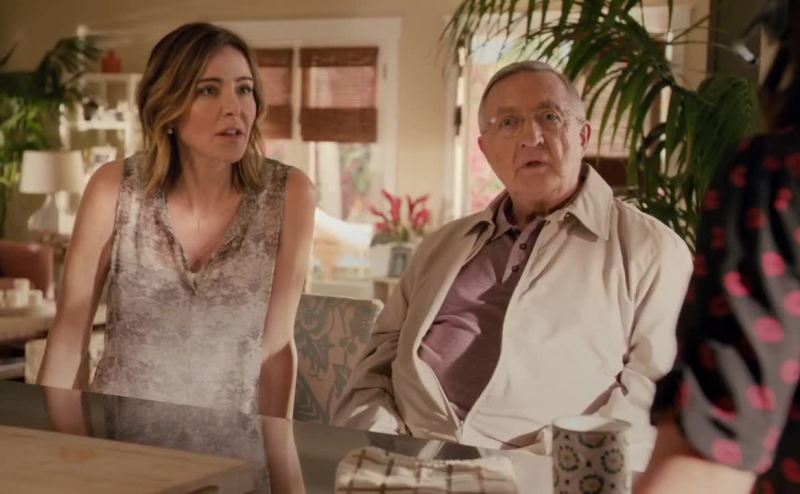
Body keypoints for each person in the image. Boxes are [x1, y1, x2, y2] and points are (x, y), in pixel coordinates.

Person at [334, 61, 692, 464]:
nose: (530, 137)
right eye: (508, 123)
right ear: (486, 149)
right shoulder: (441, 245)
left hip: (543, 471)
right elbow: (378, 363)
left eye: (549, 116)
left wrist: (539, 465)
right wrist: (379, 442)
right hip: (404, 459)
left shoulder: (651, 250)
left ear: (583, 135)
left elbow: (650, 399)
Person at [37, 22, 315, 418]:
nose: (234, 107)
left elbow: (276, 350)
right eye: (208, 90)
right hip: (119, 443)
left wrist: (279, 456)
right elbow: (69, 336)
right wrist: (66, 448)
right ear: (167, 106)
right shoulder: (113, 189)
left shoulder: (291, 194)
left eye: (244, 89)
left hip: (233, 447)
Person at [636, 1, 800, 492]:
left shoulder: (779, 179)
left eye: (549, 116)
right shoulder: (450, 245)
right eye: (505, 122)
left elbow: (714, 457)